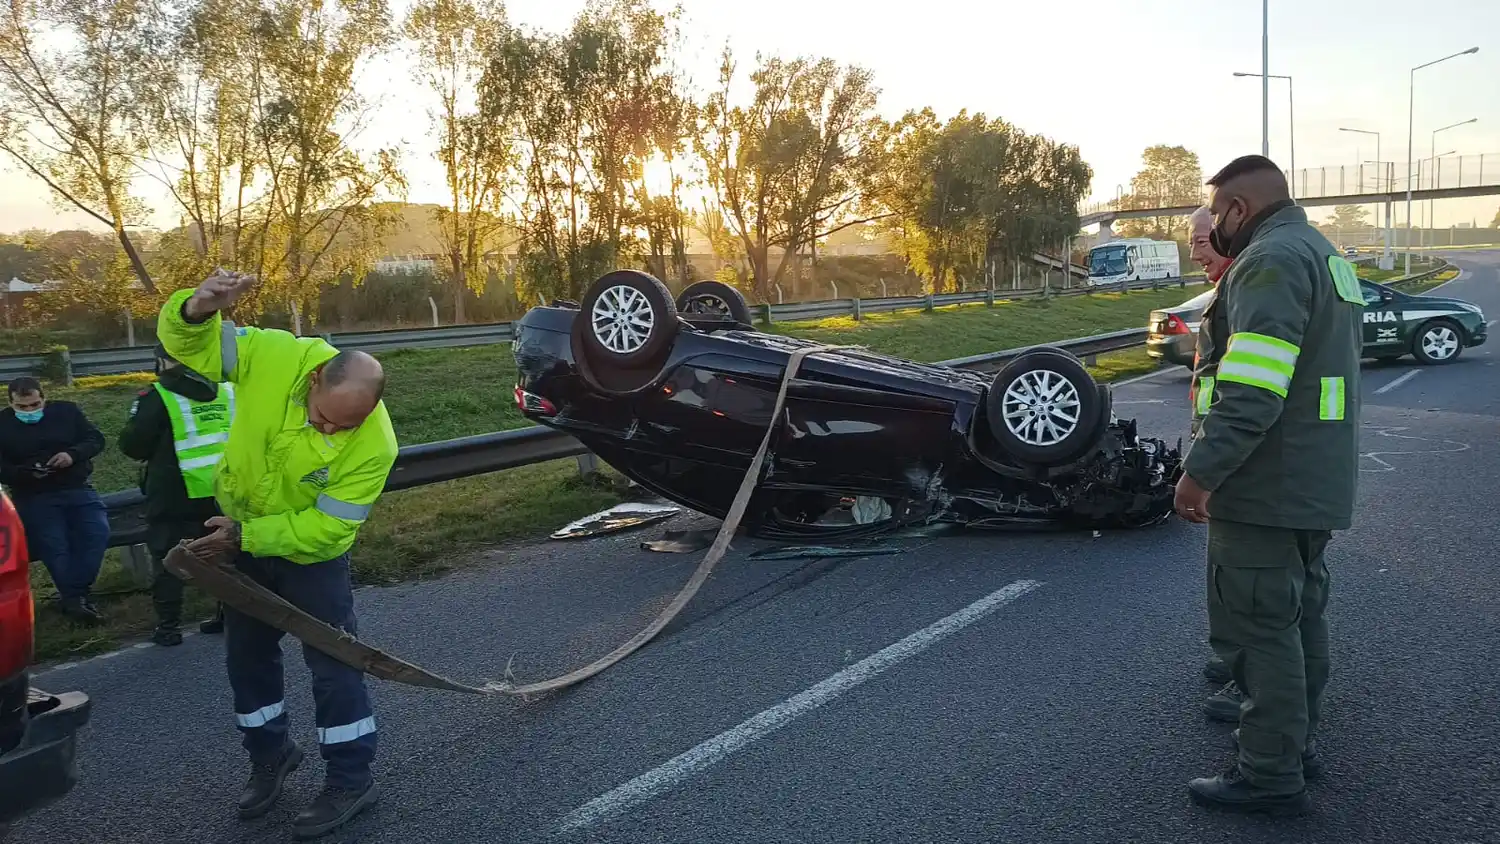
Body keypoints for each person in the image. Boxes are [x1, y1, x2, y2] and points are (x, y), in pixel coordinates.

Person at [159, 270, 398, 840]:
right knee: (247, 660)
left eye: (345, 427)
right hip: (238, 540)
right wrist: (196, 309)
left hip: (305, 556)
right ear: (315, 378)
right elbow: (192, 351)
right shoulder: (273, 355)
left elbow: (328, 532)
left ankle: (350, 778)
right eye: (323, 418)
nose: (330, 431)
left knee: (335, 664)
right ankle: (270, 756)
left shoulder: (373, 443)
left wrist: (249, 536)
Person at [1174, 155, 1363, 815]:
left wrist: (1200, 475)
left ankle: (1269, 772)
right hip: (1315, 479)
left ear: (1237, 209)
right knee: (1298, 618)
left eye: (1216, 213)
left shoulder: (1269, 260)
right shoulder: (1324, 255)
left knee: (1260, 627)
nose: (1212, 231)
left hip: (1268, 483)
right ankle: (1295, 741)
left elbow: (1253, 388)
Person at [118, 345, 235, 646]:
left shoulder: (158, 395)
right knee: (223, 553)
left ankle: (169, 627)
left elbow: (134, 446)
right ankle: (230, 615)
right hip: (225, 489)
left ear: (164, 361)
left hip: (175, 492)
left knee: (168, 556)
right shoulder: (227, 389)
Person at [0, 377, 111, 623]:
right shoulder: (3, 424)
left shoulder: (67, 412)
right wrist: (23, 473)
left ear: (44, 398)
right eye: (23, 407)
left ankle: (73, 596)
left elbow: (95, 439)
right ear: (11, 403)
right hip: (33, 495)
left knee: (97, 533)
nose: (30, 411)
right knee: (55, 545)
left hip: (76, 487)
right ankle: (76, 601)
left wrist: (72, 454)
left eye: (35, 404)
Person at [1186, 207, 1237, 696]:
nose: (1196, 253)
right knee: (1229, 573)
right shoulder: (1228, 290)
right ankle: (1235, 657)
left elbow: (1247, 396)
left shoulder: (1248, 291)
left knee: (1252, 585)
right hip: (1224, 450)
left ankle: (1258, 689)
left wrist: (1202, 469)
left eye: (1203, 242)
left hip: (1237, 460)